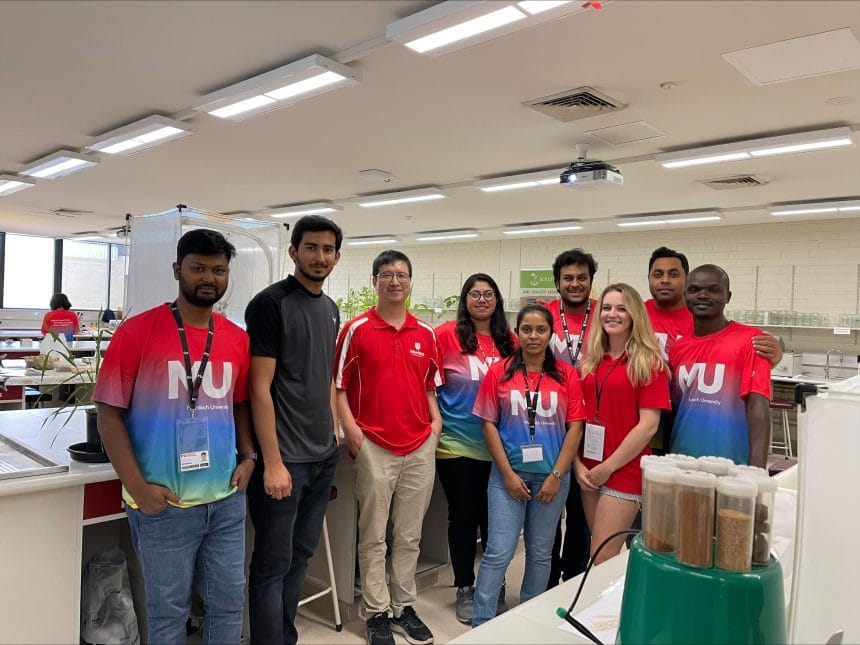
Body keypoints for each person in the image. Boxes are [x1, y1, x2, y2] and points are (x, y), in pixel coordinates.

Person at [93, 229, 255, 643]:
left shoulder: (236, 338)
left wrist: (249, 456)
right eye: (198, 267)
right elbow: (108, 415)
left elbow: (239, 403)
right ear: (177, 270)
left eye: (218, 270)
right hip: (162, 504)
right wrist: (138, 489)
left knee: (229, 604)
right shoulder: (137, 333)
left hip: (224, 499)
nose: (209, 278)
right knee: (169, 614)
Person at [335, 250, 443, 645]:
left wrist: (435, 425)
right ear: (375, 281)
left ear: (410, 281)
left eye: (401, 275)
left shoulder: (426, 333)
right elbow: (339, 387)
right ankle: (376, 612)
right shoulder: (357, 329)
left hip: (419, 445)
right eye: (386, 274)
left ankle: (403, 607)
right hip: (374, 444)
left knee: (409, 534)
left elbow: (430, 385)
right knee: (374, 534)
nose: (394, 281)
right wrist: (353, 432)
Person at [244, 215, 343, 644]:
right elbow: (258, 388)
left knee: (301, 555)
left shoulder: (330, 308)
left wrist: (334, 430)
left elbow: (323, 378)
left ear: (337, 256)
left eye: (328, 250)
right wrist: (272, 463)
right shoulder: (270, 304)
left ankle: (286, 636)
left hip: (322, 457)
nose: (319, 257)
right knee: (272, 565)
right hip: (285, 461)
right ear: (293, 251)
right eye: (311, 248)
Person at [471, 304, 586, 627]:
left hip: (552, 478)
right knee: (499, 551)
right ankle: (481, 620)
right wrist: (507, 474)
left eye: (541, 330)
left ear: (551, 334)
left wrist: (557, 476)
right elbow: (489, 424)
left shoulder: (567, 375)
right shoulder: (500, 372)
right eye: (526, 329)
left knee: (539, 552)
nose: (533, 336)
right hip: (508, 477)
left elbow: (575, 426)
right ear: (517, 332)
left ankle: (529, 619)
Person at [434, 273, 516, 624]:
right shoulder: (444, 336)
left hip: (503, 447)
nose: (481, 299)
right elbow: (427, 385)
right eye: (474, 293)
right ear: (464, 299)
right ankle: (465, 587)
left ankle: (493, 583)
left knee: (496, 521)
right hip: (457, 445)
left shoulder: (510, 341)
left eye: (488, 294)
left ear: (497, 300)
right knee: (464, 517)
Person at [646, 247, 782, 452]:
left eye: (673, 274)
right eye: (658, 274)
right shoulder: (634, 315)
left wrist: (756, 471)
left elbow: (756, 401)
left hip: (722, 445)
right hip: (655, 427)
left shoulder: (741, 335)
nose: (665, 280)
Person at [576, 284, 670, 564]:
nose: (612, 314)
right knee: (601, 549)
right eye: (606, 307)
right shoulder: (591, 361)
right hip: (588, 467)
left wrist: (609, 467)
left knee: (601, 555)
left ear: (634, 315)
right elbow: (578, 418)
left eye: (621, 308)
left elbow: (648, 426)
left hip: (623, 469)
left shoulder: (648, 362)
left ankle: (606, 607)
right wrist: (576, 464)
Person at [669, 264, 771, 467]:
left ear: (728, 296)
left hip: (731, 466)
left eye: (714, 290)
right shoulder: (678, 348)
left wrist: (756, 472)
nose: (703, 295)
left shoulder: (751, 340)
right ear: (685, 295)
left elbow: (758, 407)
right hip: (681, 462)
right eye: (694, 289)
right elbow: (675, 410)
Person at [545, 248, 597, 587]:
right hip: (549, 422)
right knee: (547, 512)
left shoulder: (606, 314)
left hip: (594, 423)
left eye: (581, 278)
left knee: (581, 508)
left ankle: (575, 574)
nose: (575, 284)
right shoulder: (544, 315)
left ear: (591, 281)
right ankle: (546, 579)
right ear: (558, 283)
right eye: (568, 278)